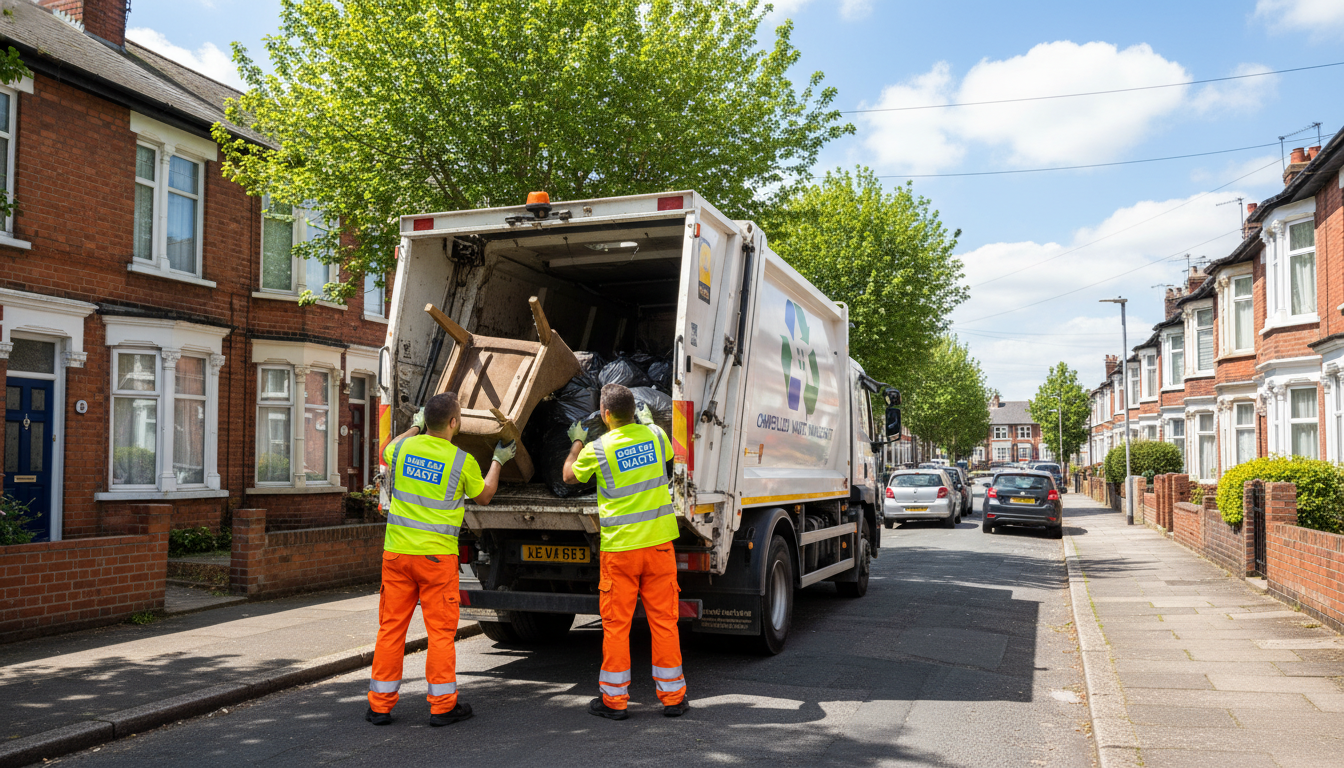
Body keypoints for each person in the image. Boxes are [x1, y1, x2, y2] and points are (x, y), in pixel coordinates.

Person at [366, 391, 515, 727]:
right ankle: (442, 706)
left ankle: (380, 706)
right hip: (435, 561)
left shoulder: (403, 448)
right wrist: (499, 460)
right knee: (440, 633)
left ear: (425, 422)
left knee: (390, 630)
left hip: (398, 556)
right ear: (454, 423)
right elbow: (485, 495)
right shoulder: (461, 460)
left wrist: (414, 427)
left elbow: (386, 450)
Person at [563, 384, 688, 720]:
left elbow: (569, 476)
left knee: (617, 625)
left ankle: (614, 701)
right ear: (635, 411)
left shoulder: (598, 447)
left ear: (605, 415)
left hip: (620, 550)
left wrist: (577, 440)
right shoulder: (657, 437)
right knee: (664, 622)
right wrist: (649, 424)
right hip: (659, 546)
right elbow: (673, 449)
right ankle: (673, 698)